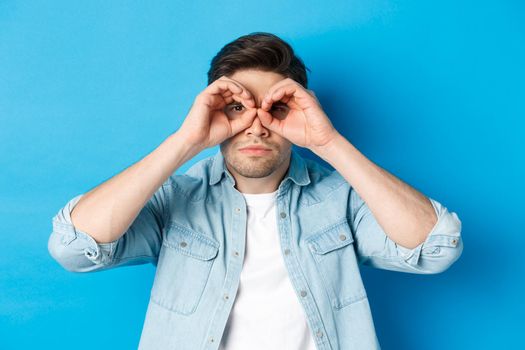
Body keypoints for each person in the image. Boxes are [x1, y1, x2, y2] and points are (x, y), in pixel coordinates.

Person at [47, 32, 463, 350]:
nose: (257, 125)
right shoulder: (175, 196)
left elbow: (436, 248)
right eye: (238, 108)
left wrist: (327, 142)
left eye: (276, 108)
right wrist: (186, 142)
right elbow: (72, 246)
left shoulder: (343, 198)